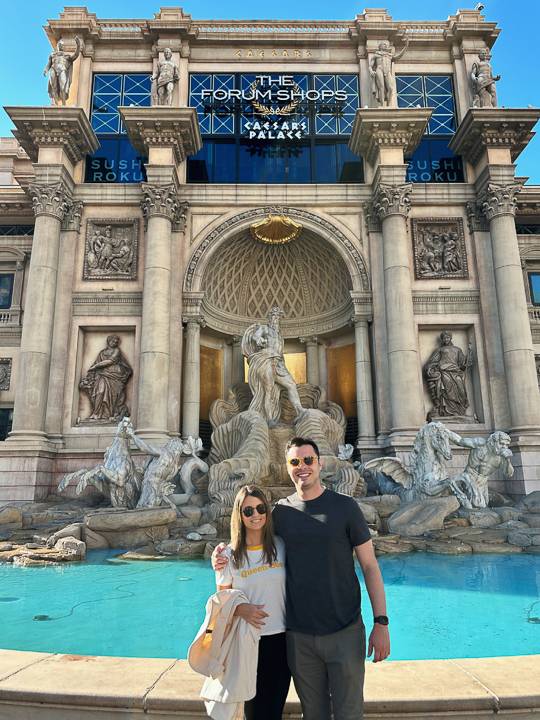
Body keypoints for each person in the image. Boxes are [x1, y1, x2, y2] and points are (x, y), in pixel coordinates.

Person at [214, 437, 390, 720]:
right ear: (288, 467)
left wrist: (380, 622)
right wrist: (222, 553)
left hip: (344, 631)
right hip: (299, 638)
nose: (302, 467)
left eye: (308, 460)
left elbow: (370, 566)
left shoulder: (346, 507)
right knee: (313, 715)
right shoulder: (281, 513)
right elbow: (253, 539)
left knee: (349, 714)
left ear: (320, 463)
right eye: (295, 462)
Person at [214, 485, 291, 720]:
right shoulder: (227, 555)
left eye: (260, 508)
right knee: (255, 713)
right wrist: (239, 607)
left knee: (275, 711)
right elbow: (222, 603)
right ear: (239, 515)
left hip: (282, 640)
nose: (255, 514)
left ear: (267, 511)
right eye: (248, 511)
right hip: (248, 642)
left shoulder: (281, 545)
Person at [242, 306, 304, 428]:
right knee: (268, 391)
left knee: (291, 384)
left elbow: (280, 352)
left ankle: (300, 411)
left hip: (279, 363)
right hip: (266, 359)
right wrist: (259, 339)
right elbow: (255, 336)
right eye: (274, 317)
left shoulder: (280, 336)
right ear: (270, 318)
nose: (276, 319)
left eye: (278, 317)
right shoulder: (264, 328)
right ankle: (269, 419)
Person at [425, 331, 473, 421]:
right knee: (448, 389)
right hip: (444, 372)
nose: (446, 339)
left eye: (447, 337)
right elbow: (432, 362)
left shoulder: (457, 350)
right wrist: (430, 369)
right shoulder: (439, 350)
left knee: (461, 390)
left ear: (451, 338)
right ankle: (449, 412)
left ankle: (460, 411)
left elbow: (462, 364)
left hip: (455, 372)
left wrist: (467, 359)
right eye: (444, 338)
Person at [369, 37, 409, 107]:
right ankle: (382, 106)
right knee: (381, 87)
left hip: (387, 71)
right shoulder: (376, 55)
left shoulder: (389, 55)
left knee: (390, 88)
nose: (385, 45)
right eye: (383, 44)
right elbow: (370, 66)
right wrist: (371, 71)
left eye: (386, 44)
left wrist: (405, 46)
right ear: (380, 46)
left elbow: (399, 56)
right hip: (379, 69)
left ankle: (389, 105)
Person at [43, 37, 81, 105]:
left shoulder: (66, 56)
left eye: (63, 45)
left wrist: (78, 46)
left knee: (62, 86)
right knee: (53, 86)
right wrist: (45, 70)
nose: (61, 46)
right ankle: (56, 104)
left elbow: (75, 56)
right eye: (60, 45)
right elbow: (49, 64)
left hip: (62, 69)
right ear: (58, 46)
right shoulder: (52, 55)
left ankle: (63, 104)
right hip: (53, 69)